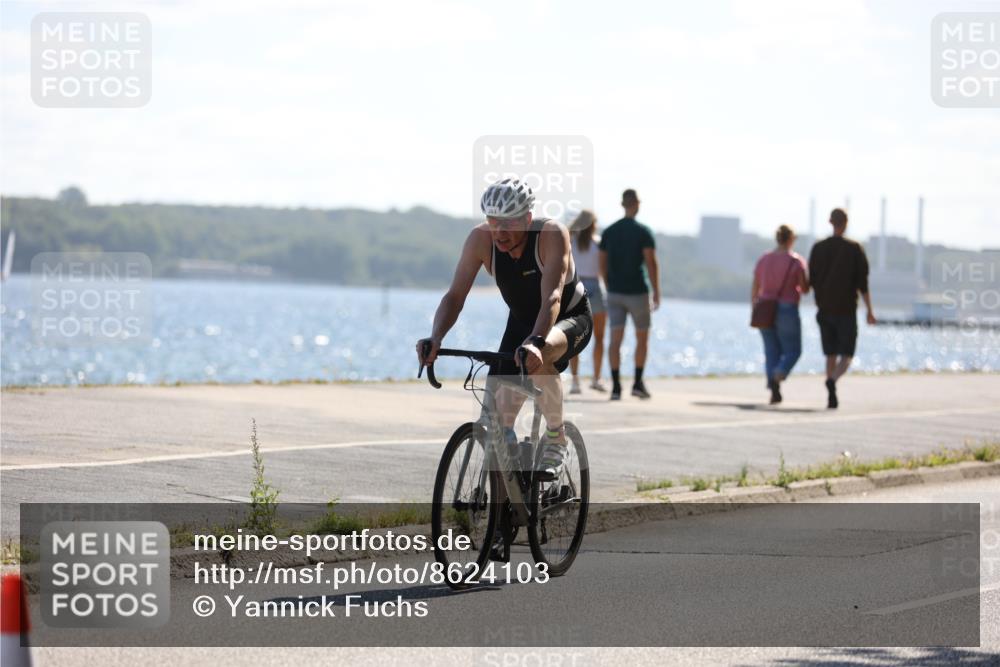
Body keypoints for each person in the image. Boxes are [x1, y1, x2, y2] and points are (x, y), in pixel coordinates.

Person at [416, 178, 592, 479]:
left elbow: (552, 297)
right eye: (493, 221)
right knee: (499, 419)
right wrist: (436, 338)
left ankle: (556, 437)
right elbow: (455, 296)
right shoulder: (480, 240)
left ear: (527, 219)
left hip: (568, 318)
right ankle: (509, 488)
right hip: (522, 323)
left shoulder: (551, 234)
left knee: (541, 356)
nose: (500, 232)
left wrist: (536, 342)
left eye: (509, 223)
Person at [808, 208, 877, 409]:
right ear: (846, 223)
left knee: (830, 353)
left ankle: (830, 393)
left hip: (824, 309)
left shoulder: (818, 248)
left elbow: (811, 280)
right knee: (847, 354)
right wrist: (869, 310)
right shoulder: (854, 249)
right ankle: (833, 380)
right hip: (846, 310)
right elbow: (863, 284)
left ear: (830, 222)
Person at [599, 189, 660, 400]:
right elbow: (651, 263)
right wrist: (656, 291)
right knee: (642, 337)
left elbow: (602, 263)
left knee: (615, 340)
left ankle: (616, 387)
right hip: (638, 292)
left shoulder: (609, 231)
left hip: (614, 292)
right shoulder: (643, 232)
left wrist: (608, 284)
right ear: (637, 204)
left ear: (622, 204)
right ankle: (637, 383)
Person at [752, 224, 810, 404]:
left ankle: (772, 383)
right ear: (791, 239)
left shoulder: (764, 259)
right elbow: (805, 288)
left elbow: (755, 286)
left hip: (765, 307)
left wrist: (754, 307)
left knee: (771, 351)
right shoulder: (796, 261)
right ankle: (779, 373)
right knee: (793, 350)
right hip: (787, 308)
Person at [567, 210, 608, 394]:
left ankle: (575, 381)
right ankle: (596, 378)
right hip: (595, 287)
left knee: (574, 336)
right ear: (593, 224)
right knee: (599, 337)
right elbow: (603, 270)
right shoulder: (598, 243)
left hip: (576, 285)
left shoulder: (570, 241)